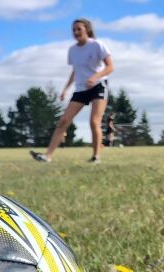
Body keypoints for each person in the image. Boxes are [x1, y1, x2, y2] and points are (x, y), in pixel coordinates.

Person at [31, 18, 114, 164]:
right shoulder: (73, 50)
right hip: (81, 88)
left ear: (87, 30)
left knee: (94, 121)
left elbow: (110, 67)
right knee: (63, 121)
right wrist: (65, 89)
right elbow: (75, 71)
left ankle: (96, 157)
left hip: (98, 85)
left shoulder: (97, 45)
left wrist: (95, 77)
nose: (76, 32)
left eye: (79, 29)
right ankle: (47, 156)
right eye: (73, 30)